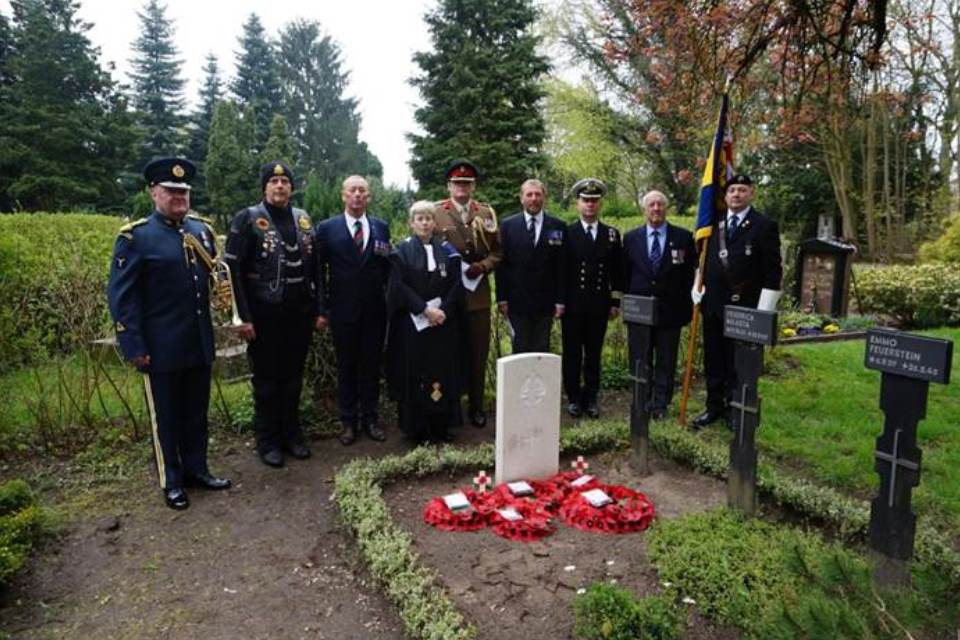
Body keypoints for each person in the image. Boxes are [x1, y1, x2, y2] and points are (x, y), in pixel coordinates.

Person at [107, 157, 231, 510]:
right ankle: (171, 481)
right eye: (171, 191)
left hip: (197, 340)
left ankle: (197, 470)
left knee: (196, 413)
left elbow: (214, 280)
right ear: (154, 193)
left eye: (184, 191)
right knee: (166, 418)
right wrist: (134, 344)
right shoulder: (136, 237)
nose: (179, 196)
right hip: (159, 346)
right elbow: (122, 297)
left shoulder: (201, 231)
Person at [223, 161, 323, 468]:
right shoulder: (248, 219)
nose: (280, 186)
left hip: (299, 314)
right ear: (265, 187)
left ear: (292, 187)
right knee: (267, 382)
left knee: (293, 379)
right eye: (274, 181)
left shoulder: (303, 219)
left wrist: (320, 308)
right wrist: (242, 318)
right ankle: (267, 441)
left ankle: (292, 436)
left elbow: (317, 267)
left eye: (285, 181)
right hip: (263, 316)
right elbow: (231, 271)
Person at [692, 174, 783, 428]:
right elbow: (702, 259)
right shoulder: (713, 224)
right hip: (713, 305)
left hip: (745, 307)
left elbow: (773, 272)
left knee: (738, 362)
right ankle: (713, 406)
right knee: (713, 359)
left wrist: (763, 313)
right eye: (732, 190)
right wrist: (697, 283)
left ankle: (736, 408)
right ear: (725, 195)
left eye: (742, 190)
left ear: (751, 194)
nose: (736, 195)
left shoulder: (763, 225)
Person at [315, 175, 391, 445]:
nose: (357, 195)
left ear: (368, 196)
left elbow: (386, 270)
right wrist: (322, 309)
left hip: (374, 310)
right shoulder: (327, 228)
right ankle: (348, 421)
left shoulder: (381, 227)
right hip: (342, 310)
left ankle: (370, 418)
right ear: (343, 195)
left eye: (362, 191)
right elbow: (319, 272)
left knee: (371, 366)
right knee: (347, 366)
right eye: (352, 190)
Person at [385, 201, 464, 443]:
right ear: (411, 223)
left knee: (442, 370)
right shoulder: (401, 251)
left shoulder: (449, 251)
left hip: (441, 324)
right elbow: (398, 286)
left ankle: (441, 426)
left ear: (435, 222)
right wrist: (424, 309)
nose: (424, 222)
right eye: (419, 218)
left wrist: (442, 312)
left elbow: (456, 286)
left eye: (429, 218)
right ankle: (416, 429)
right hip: (414, 325)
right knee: (415, 372)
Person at [433, 160, 502, 428]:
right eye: (457, 183)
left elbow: (498, 251)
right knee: (449, 353)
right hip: (448, 297)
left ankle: (476, 406)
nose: (462, 187)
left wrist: (483, 266)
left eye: (467, 183)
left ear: (473, 185)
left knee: (477, 353)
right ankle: (450, 407)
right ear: (449, 185)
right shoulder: (436, 213)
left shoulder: (486, 213)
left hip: (478, 296)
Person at [622, 190, 696, 419]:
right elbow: (625, 273)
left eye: (660, 205)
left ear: (667, 208)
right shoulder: (631, 238)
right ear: (644, 209)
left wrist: (687, 305)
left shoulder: (683, 237)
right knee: (640, 358)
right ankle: (641, 401)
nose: (656, 209)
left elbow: (689, 275)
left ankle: (661, 405)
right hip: (639, 311)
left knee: (666, 360)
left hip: (670, 310)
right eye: (651, 205)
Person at [560, 178, 623, 419]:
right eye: (586, 200)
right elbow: (561, 271)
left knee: (594, 354)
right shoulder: (568, 233)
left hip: (599, 305)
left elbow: (618, 272)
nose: (590, 205)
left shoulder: (611, 235)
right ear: (578, 203)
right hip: (574, 306)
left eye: (594, 201)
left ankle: (592, 397)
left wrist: (615, 302)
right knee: (573, 352)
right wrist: (561, 302)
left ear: (600, 204)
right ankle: (574, 398)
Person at [496, 179, 566, 353]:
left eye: (538, 194)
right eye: (529, 194)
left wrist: (560, 300)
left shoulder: (558, 226)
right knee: (519, 350)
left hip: (546, 302)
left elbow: (562, 267)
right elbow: (501, 265)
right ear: (521, 198)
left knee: (542, 350)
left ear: (544, 197)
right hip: (517, 302)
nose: (533, 199)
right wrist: (501, 297)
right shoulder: (507, 226)